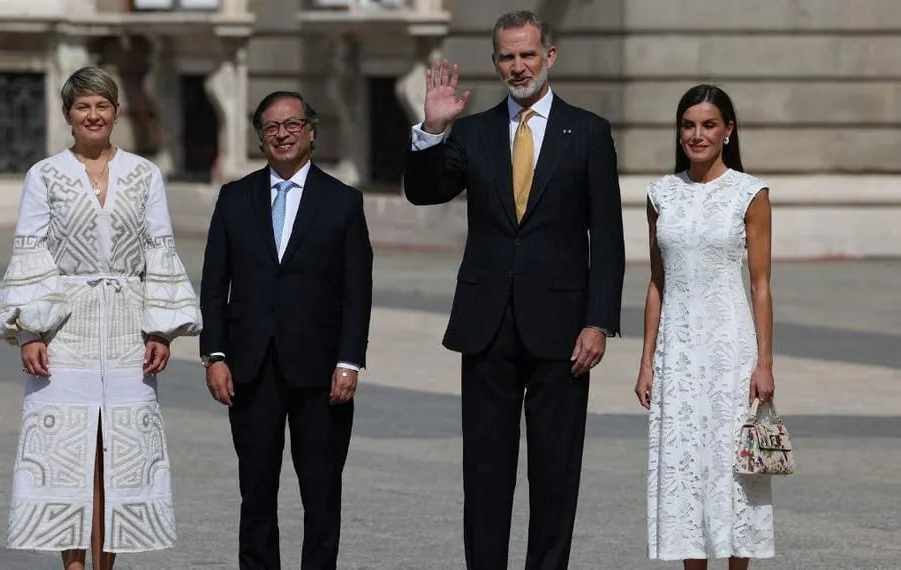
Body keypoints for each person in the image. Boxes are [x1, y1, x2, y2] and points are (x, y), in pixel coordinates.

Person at [403, 10, 625, 570]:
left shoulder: (589, 132)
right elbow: (424, 193)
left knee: (555, 474)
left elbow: (610, 238)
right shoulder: (473, 132)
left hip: (563, 332)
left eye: (528, 54)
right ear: (495, 61)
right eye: (507, 56)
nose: (518, 65)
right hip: (487, 326)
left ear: (549, 56)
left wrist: (599, 321)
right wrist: (432, 129)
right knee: (485, 474)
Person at [0, 66, 201, 570]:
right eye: (83, 106)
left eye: (102, 105)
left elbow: (159, 248)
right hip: (65, 330)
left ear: (116, 113)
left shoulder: (145, 174)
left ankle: (107, 566)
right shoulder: (45, 174)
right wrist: (30, 333)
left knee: (119, 456)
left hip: (127, 328)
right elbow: (31, 250)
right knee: (67, 454)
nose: (93, 114)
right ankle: (73, 567)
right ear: (67, 115)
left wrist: (161, 328)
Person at [199, 91, 373, 570]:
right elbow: (214, 284)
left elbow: (358, 290)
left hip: (321, 372)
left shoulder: (342, 202)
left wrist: (348, 361)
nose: (282, 134)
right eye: (271, 127)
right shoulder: (235, 198)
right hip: (249, 367)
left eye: (292, 124)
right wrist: (214, 355)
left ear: (311, 132)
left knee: (321, 494)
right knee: (256, 491)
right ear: (260, 138)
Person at [636, 84, 775, 568]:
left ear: (728, 132)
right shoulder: (660, 195)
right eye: (689, 125)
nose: (697, 135)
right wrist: (646, 360)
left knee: (732, 468)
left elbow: (760, 284)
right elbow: (657, 282)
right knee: (686, 467)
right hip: (677, 350)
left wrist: (765, 362)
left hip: (731, 349)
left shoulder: (749, 193)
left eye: (709, 125)